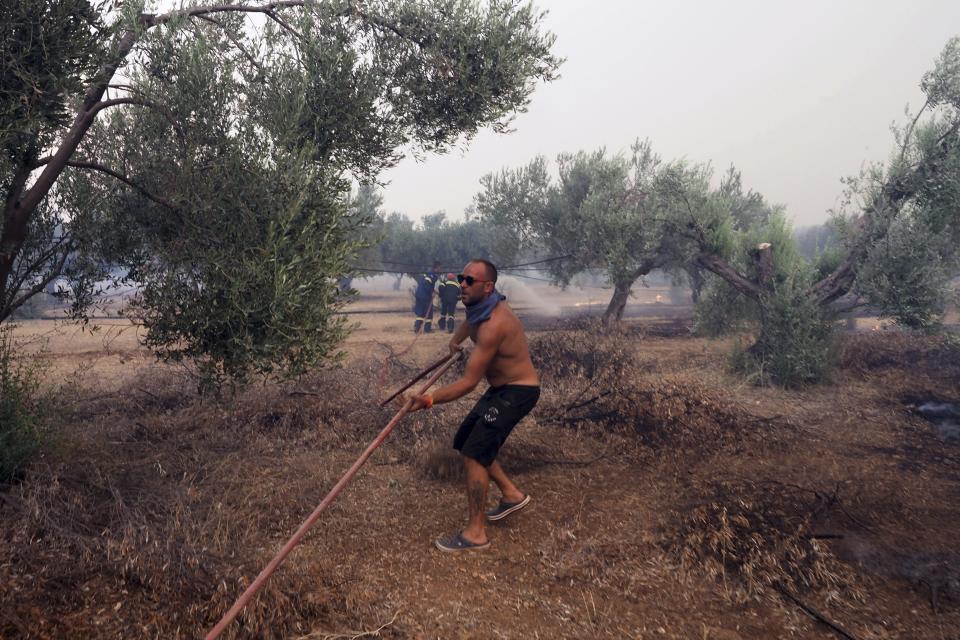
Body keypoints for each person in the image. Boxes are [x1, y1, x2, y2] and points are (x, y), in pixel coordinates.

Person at [407, 259, 540, 552]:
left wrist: (429, 399)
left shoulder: (495, 325)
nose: (462, 285)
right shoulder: (483, 307)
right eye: (462, 279)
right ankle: (512, 494)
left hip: (518, 392)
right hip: (503, 389)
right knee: (467, 440)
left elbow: (468, 383)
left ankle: (476, 534)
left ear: (488, 286)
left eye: (469, 281)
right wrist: (456, 341)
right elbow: (470, 322)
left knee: (475, 454)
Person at [413, 261, 442, 333]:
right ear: (437, 267)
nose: (441, 269)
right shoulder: (432, 275)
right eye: (440, 268)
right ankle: (427, 329)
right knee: (429, 312)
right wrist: (431, 292)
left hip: (419, 294)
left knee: (421, 311)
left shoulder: (427, 273)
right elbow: (427, 285)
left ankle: (417, 328)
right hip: (425, 295)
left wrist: (433, 291)